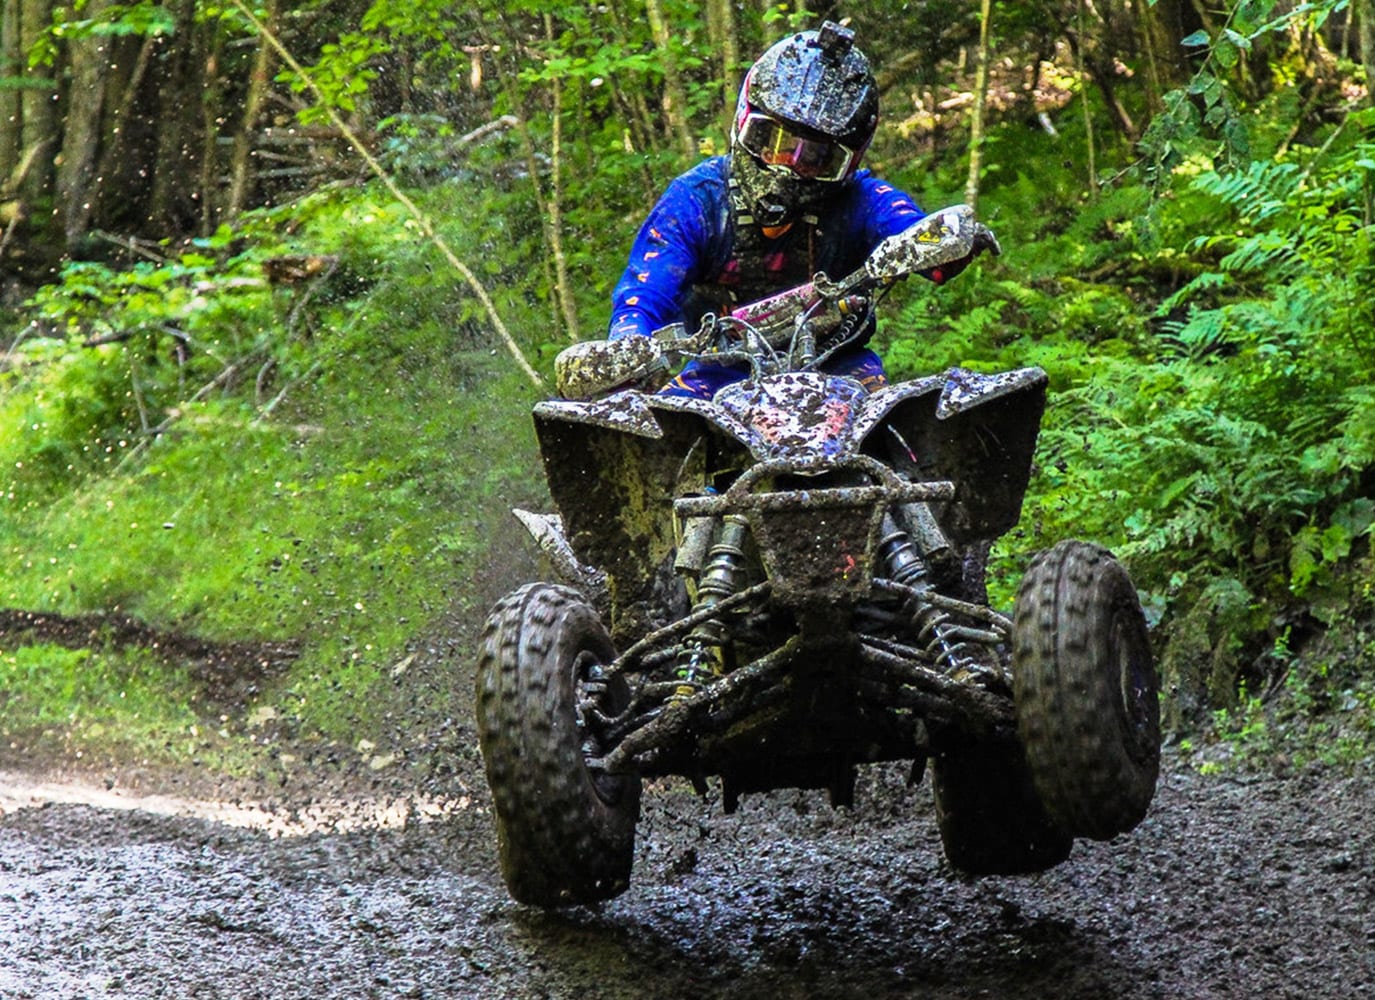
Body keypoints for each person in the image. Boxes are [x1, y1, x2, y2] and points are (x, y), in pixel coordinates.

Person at [607, 20, 993, 399]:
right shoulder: (697, 201)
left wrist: (946, 240)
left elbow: (909, 231)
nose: (787, 165)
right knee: (657, 438)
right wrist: (626, 350)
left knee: (900, 430)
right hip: (717, 376)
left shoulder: (861, 200)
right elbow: (644, 296)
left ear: (846, 163)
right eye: (772, 141)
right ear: (745, 125)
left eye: (815, 156)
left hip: (840, 370)